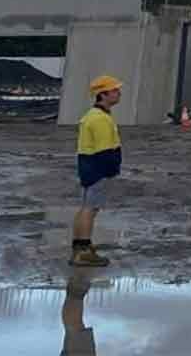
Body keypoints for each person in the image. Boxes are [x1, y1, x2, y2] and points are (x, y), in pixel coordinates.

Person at [73, 73, 125, 267]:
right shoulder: (100, 119)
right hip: (98, 168)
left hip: (88, 166)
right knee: (90, 209)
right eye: (114, 90)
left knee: (85, 207)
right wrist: (111, 170)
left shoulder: (93, 115)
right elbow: (105, 150)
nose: (118, 93)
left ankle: (80, 246)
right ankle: (83, 251)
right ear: (102, 94)